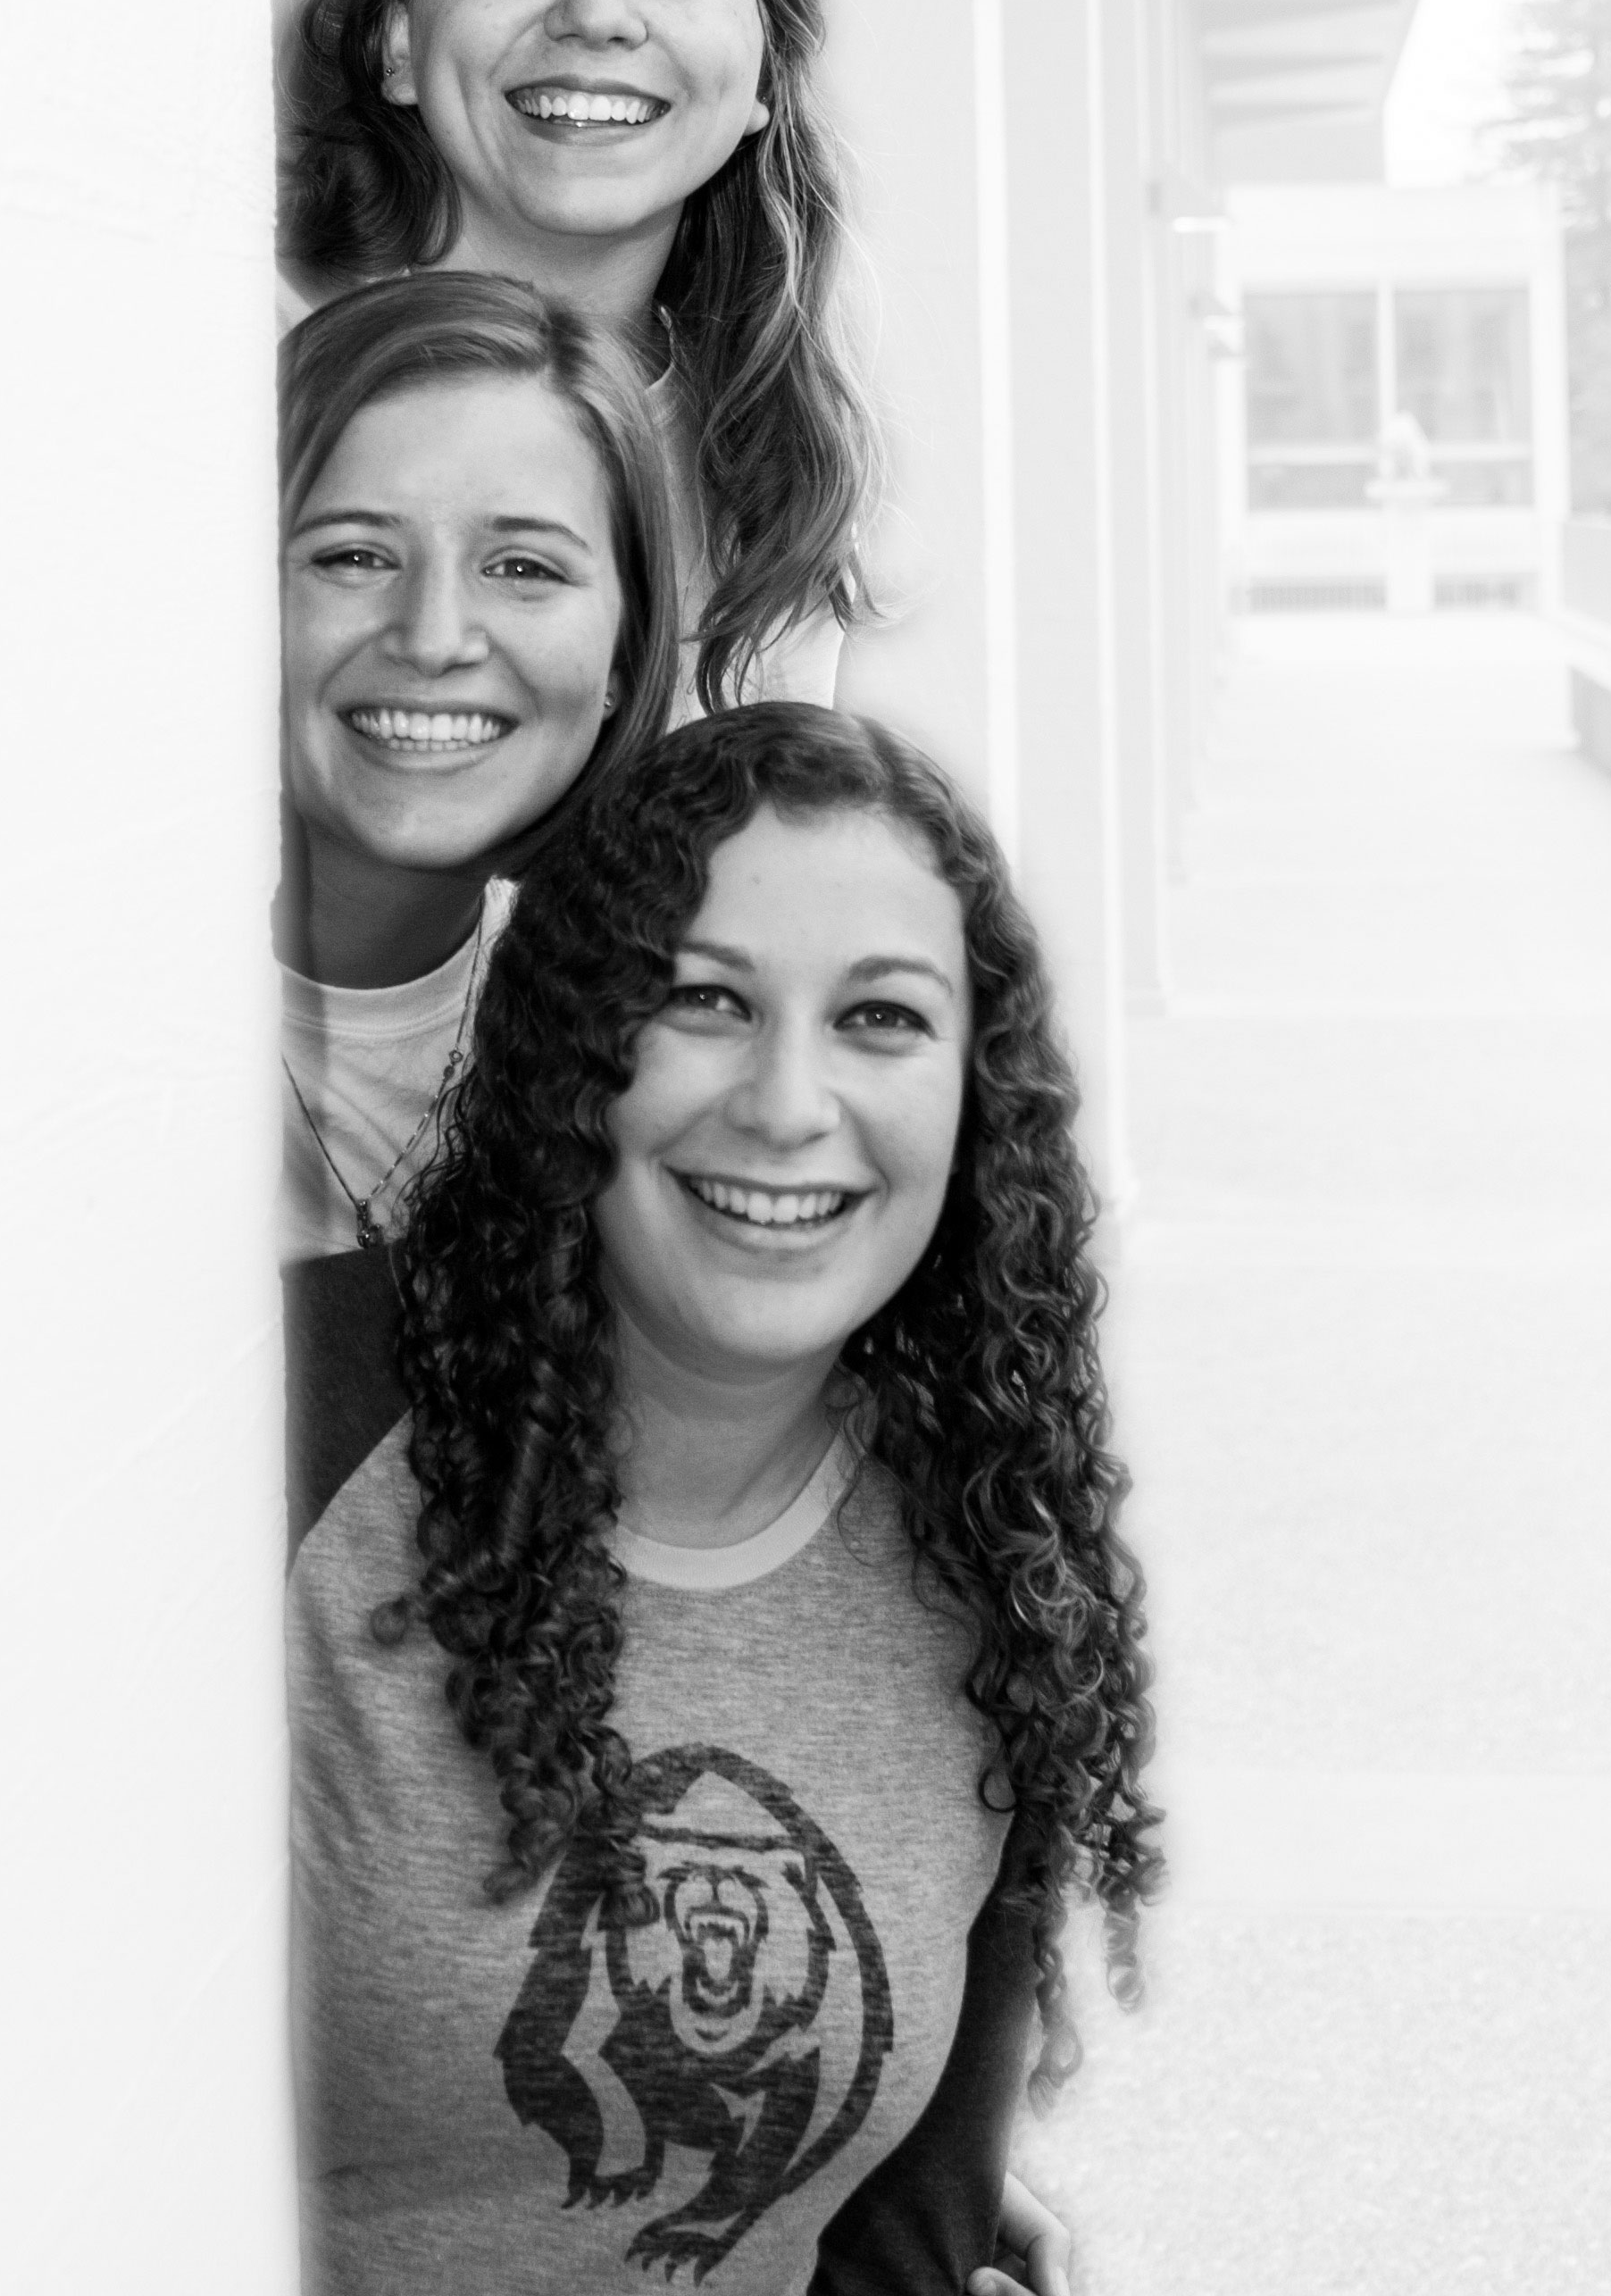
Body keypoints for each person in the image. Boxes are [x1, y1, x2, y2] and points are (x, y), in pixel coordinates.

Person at [288, 705, 1156, 2294]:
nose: (783, 1101)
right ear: (571, 1047)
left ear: (976, 1098)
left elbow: (899, 2229)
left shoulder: (991, 1564)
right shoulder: (286, 1438)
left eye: (881, 1018)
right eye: (703, 997)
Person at [280, 0, 874, 714]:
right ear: (397, 43)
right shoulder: (262, 418)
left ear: (763, 73)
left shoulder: (774, 476)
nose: (597, 12)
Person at [278, 272, 678, 1281]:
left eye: (524, 568)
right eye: (354, 555)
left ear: (624, 655)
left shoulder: (659, 1042)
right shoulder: (77, 1007)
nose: (433, 638)